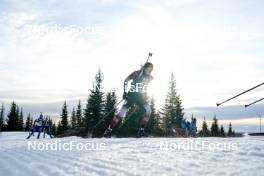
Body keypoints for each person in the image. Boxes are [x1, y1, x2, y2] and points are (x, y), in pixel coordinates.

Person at [104, 62, 154, 138]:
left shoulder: (150, 77)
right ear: (145, 68)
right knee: (121, 113)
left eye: (151, 69)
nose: (149, 70)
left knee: (148, 110)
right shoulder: (136, 73)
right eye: (148, 68)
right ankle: (109, 130)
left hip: (140, 97)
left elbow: (144, 85)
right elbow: (126, 80)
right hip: (131, 96)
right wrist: (124, 92)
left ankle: (141, 131)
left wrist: (145, 93)